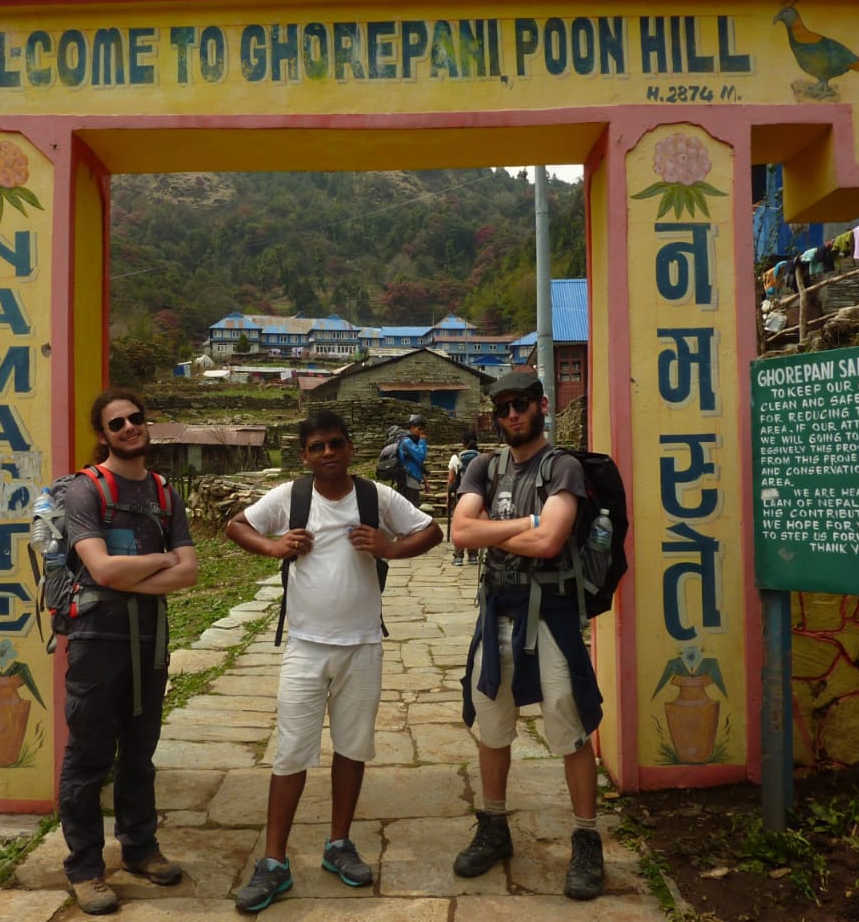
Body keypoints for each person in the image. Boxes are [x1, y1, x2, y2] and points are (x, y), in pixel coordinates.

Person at [226, 410, 442, 913]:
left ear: (350, 448)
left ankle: (338, 844)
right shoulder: (291, 497)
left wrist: (391, 546)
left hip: (362, 644)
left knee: (352, 747)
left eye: (336, 444)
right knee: (291, 752)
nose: (328, 453)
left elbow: (430, 530)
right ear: (304, 454)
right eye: (317, 446)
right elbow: (237, 526)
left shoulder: (373, 497)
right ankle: (274, 861)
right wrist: (274, 545)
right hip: (304, 644)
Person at [450, 371, 606, 901]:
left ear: (542, 405)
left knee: (568, 721)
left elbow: (550, 542)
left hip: (551, 612)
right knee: (491, 719)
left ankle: (586, 838)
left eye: (520, 405)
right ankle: (494, 825)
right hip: (497, 609)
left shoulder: (562, 466)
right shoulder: (483, 466)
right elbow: (460, 532)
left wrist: (503, 530)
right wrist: (526, 524)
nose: (511, 415)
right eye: (502, 408)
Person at [58, 388, 198, 915]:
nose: (129, 428)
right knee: (89, 756)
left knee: (140, 754)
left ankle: (140, 849)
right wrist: (161, 560)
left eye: (136, 419)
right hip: (96, 642)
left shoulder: (165, 495)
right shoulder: (85, 491)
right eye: (117, 424)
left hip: (149, 642)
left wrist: (131, 573)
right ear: (103, 435)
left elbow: (191, 573)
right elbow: (101, 570)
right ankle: (86, 869)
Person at [447, 431, 481, 566]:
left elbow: (451, 479)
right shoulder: (482, 458)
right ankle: (473, 556)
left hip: (461, 496)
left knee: (460, 526)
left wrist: (448, 496)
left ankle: (458, 556)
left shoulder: (456, 458)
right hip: (477, 496)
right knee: (475, 525)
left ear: (463, 443)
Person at [397, 414, 429, 506]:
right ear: (412, 427)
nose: (421, 432)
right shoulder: (406, 442)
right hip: (408, 479)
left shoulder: (413, 442)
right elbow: (420, 457)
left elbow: (419, 463)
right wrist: (422, 441)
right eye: (419, 429)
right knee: (411, 509)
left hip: (414, 479)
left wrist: (425, 481)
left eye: (423, 429)